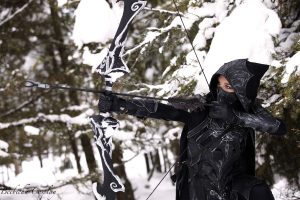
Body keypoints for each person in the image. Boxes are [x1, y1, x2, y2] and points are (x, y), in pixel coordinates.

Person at [98, 59, 286, 200]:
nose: (220, 90)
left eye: (228, 86)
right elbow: (162, 109)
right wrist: (119, 104)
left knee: (258, 191)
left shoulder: (249, 110)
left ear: (242, 92)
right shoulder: (201, 110)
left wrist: (234, 117)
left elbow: (278, 127)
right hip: (201, 189)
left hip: (232, 186)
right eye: (218, 84)